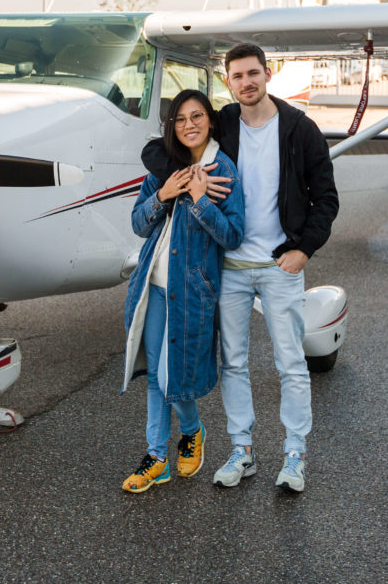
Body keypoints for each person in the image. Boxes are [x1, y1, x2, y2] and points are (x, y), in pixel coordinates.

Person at [141, 44, 339, 493]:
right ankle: (242, 450)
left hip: (278, 264)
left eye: (253, 73)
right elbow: (160, 150)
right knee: (233, 362)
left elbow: (326, 199)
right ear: (227, 81)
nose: (246, 82)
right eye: (237, 76)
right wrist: (192, 179)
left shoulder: (299, 129)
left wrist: (304, 250)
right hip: (228, 265)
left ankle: (294, 455)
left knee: (290, 362)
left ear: (268, 74)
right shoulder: (223, 122)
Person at [120, 89, 244, 493]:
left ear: (209, 120)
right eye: (180, 119)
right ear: (171, 125)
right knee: (156, 376)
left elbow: (233, 236)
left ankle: (191, 430)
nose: (189, 125)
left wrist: (199, 200)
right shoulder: (164, 168)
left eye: (196, 117)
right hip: (153, 287)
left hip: (191, 290)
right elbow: (139, 224)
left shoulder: (223, 169)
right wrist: (163, 194)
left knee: (173, 374)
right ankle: (157, 457)